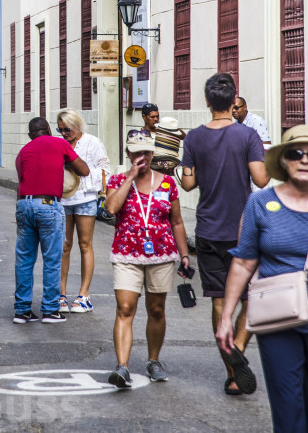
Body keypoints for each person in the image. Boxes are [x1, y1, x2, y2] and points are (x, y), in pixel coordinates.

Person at [216, 125, 308, 429]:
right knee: (288, 409)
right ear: (284, 160)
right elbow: (244, 262)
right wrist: (227, 318)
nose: (304, 159)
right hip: (277, 319)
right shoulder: (260, 203)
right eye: (295, 153)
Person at [179, 72, 269, 395]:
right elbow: (261, 181)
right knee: (253, 296)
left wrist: (183, 170)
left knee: (219, 300)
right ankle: (240, 346)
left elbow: (188, 183)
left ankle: (232, 373)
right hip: (244, 230)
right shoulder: (248, 136)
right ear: (234, 101)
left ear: (206, 102)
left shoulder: (192, 139)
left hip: (207, 230)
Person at [104, 129, 190, 386]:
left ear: (153, 153)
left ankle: (154, 361)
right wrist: (130, 176)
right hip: (126, 254)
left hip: (161, 255)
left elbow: (176, 222)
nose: (142, 156)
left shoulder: (167, 183)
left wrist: (184, 255)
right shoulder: (117, 179)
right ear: (128, 153)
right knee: (125, 308)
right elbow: (110, 208)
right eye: (136, 152)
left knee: (156, 309)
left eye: (146, 152)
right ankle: (122, 367)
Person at [14, 117, 90, 324]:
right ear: (48, 129)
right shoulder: (59, 143)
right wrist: (66, 161)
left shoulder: (22, 153)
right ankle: (49, 310)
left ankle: (22, 312)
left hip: (23, 205)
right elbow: (84, 170)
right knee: (52, 259)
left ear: (30, 135)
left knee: (24, 260)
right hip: (48, 205)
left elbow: (25, 179)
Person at [55, 109, 112, 314]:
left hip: (86, 199)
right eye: (60, 129)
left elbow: (105, 169)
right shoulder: (59, 142)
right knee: (64, 246)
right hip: (63, 199)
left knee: (85, 244)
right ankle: (61, 294)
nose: (63, 133)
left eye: (67, 129)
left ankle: (83, 295)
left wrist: (83, 176)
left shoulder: (92, 142)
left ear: (77, 126)